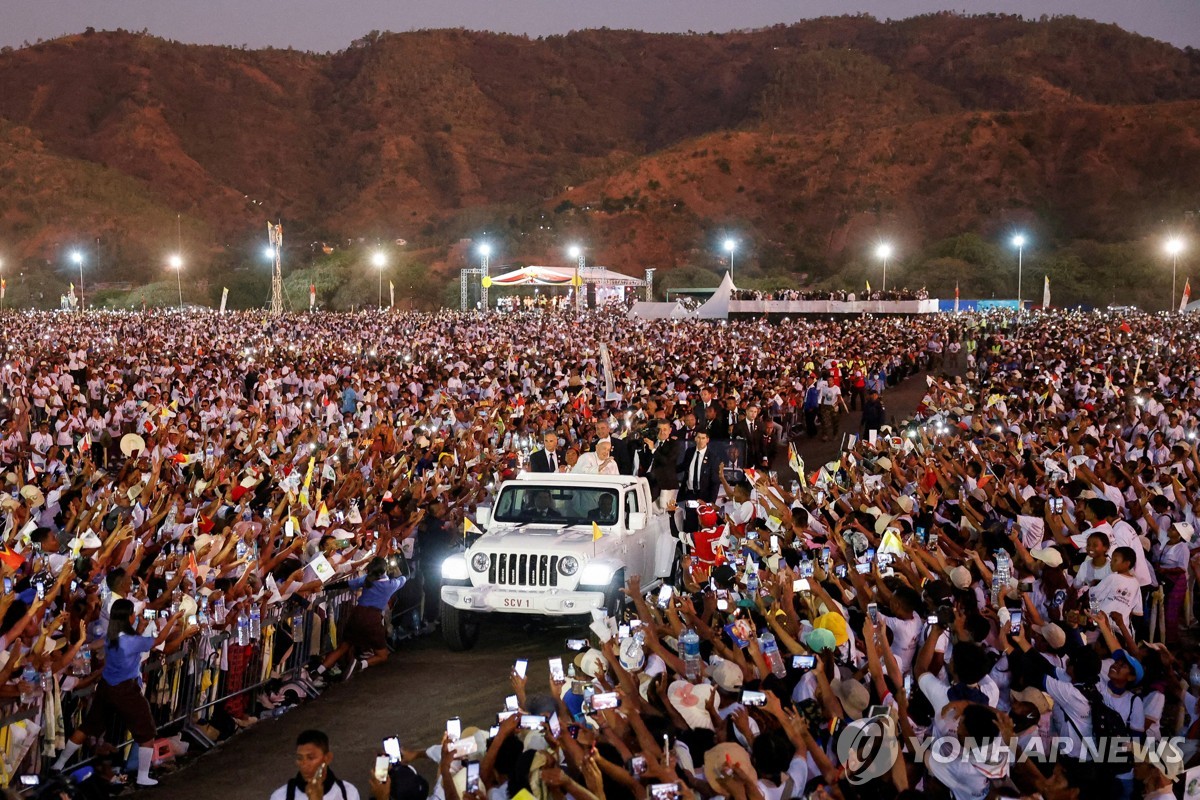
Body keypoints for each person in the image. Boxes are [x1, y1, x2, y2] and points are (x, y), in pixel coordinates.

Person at [53, 599, 187, 786]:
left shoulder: (113, 636)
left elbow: (131, 645)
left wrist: (139, 629)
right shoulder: (129, 640)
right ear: (128, 616)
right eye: (133, 613)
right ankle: (142, 776)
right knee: (146, 731)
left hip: (106, 687)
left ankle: (59, 764)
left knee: (88, 726)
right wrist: (173, 619)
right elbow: (158, 640)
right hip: (126, 690)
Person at [314, 557, 407, 682]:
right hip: (372, 618)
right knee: (382, 655)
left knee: (343, 646)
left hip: (357, 614)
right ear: (386, 569)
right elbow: (405, 577)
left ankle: (317, 671)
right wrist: (398, 570)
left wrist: (324, 587)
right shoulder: (390, 585)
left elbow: (345, 584)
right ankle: (360, 664)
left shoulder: (367, 579)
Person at [269, 729, 360, 800]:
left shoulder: (347, 793)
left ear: (327, 758)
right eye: (300, 758)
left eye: (311, 758)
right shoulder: (281, 796)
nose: (304, 764)